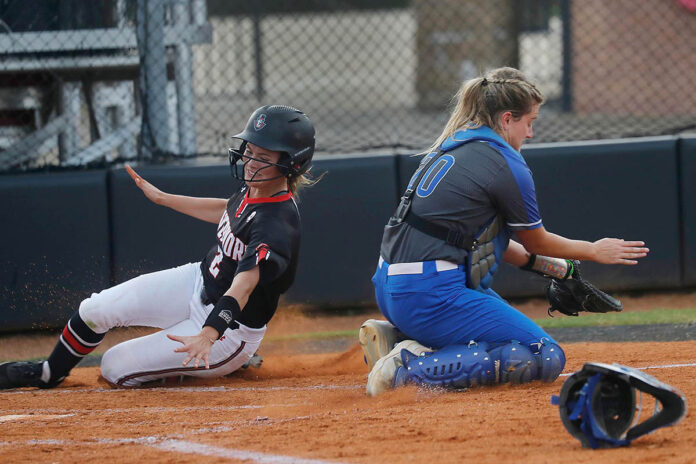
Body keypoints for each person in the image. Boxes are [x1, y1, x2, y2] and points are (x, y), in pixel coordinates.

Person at [359, 67, 649, 396]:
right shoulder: (504, 163)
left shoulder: (454, 144)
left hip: (395, 288)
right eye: (530, 122)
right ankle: (404, 370)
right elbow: (534, 239)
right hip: (428, 294)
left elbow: (495, 244)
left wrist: (561, 269)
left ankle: (398, 339)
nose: (531, 133)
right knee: (542, 356)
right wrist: (593, 250)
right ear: (507, 119)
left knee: (501, 338)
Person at [0, 105, 316, 389]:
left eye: (264, 156)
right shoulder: (256, 188)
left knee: (114, 368)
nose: (249, 161)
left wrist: (207, 335)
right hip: (198, 281)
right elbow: (228, 210)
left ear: (291, 165)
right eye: (250, 149)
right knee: (94, 310)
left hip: (228, 330)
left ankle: (223, 365)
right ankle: (47, 372)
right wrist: (163, 198)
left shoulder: (277, 226)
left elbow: (243, 287)